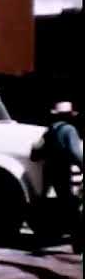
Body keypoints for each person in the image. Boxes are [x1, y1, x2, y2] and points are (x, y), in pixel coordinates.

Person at [31, 101, 83, 252]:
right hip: (62, 170)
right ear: (69, 116)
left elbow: (37, 150)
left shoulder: (50, 130)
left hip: (48, 171)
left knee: (47, 204)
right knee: (71, 207)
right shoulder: (70, 130)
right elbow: (75, 153)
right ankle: (78, 243)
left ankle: (41, 235)